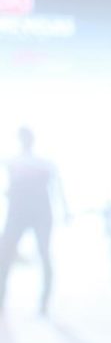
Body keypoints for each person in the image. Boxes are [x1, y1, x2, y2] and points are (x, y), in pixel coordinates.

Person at [0, 126, 67, 317]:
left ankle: (43, 305)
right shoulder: (14, 161)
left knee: (43, 255)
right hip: (19, 215)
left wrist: (66, 210)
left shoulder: (42, 163)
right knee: (5, 256)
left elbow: (57, 187)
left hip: (39, 215)